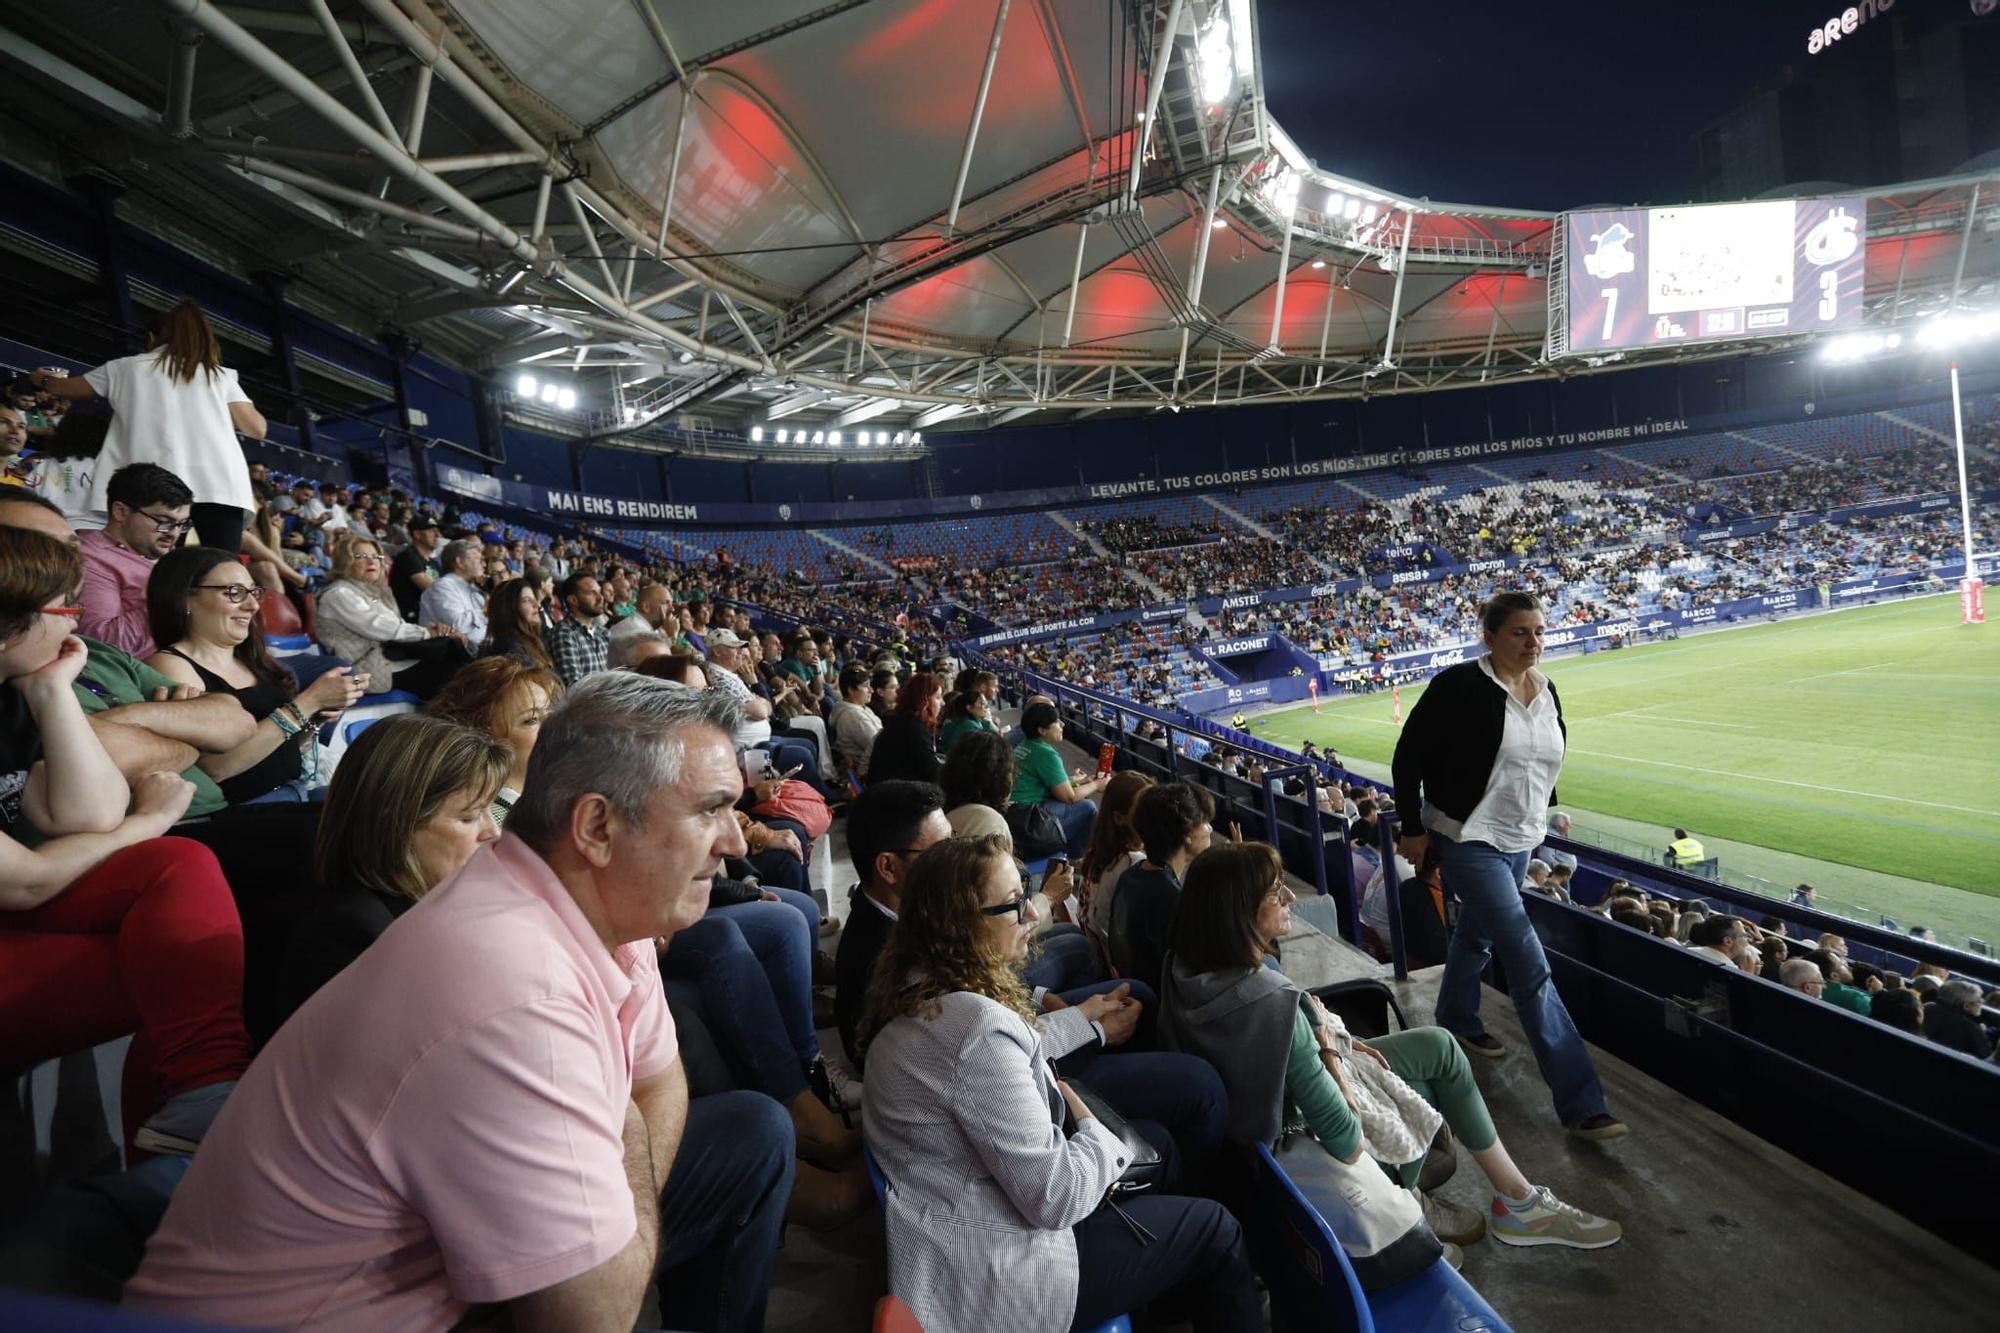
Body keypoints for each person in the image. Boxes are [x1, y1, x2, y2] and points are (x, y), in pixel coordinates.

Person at [126, 675, 794, 1331]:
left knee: (753, 1133)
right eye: (709, 808)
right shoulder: (514, 991)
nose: (736, 840)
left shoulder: (607, 907)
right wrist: (614, 1139)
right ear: (596, 825)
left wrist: (614, 1184)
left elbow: (659, 1078)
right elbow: (591, 1319)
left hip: (428, 1278)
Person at [858, 834, 1261, 1333]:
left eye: (1024, 893)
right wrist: (1093, 1129)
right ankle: (1190, 1276)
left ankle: (1168, 1285)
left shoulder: (919, 987)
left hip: (967, 1222)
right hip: (1004, 1276)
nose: (1031, 913)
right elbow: (1057, 1197)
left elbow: (995, 1059)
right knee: (1216, 1229)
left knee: (1158, 1144)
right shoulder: (973, 1030)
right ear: (960, 926)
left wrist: (1086, 1021)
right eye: (1012, 904)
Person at [1158, 842, 1622, 1270]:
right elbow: (1345, 1139)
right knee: (1414, 1089)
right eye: (1275, 892)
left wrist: (1333, 1040)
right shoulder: (1272, 1004)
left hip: (1248, 1135)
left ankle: (1517, 1201)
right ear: (1238, 910)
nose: (1290, 899)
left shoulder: (1182, 964)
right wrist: (1327, 1047)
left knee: (1439, 1045)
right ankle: (1419, 1202)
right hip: (1294, 1146)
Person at [0, 524, 251, 1156]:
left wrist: (53, 691)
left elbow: (90, 811)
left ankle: (203, 1101)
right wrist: (148, 821)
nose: (79, 628)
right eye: (69, 609)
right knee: (175, 979)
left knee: (177, 885)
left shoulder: (17, 693)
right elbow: (27, 880)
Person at [1391, 590, 1625, 1140]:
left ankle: (1457, 1018)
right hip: (1468, 836)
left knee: (1477, 936)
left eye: (1539, 632)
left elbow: (1542, 760)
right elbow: (1409, 756)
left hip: (1522, 836)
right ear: (1489, 636)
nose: (1533, 642)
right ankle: (1582, 1103)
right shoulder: (1457, 686)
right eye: (1520, 632)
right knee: (1528, 959)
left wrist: (1541, 810)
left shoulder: (1546, 690)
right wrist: (1412, 828)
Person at [262, 714, 507, 1041]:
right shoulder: (351, 937)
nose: (493, 831)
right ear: (397, 824)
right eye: (469, 817)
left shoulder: (441, 912)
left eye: (490, 810)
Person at [33, 301, 266, 549]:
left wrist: (41, 378)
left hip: (156, 485)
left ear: (151, 338)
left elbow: (62, 388)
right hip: (221, 485)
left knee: (157, 568)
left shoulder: (123, 368)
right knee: (221, 566)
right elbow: (257, 428)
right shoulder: (219, 375)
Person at [143, 547, 367, 804]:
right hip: (242, 812)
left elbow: (280, 748)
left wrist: (317, 718)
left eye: (253, 592)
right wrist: (308, 703)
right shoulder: (170, 665)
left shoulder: (251, 658)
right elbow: (214, 769)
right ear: (185, 599)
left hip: (294, 792)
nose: (253, 605)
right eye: (235, 592)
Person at [834, 780, 953, 1070]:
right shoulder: (894, 962)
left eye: (955, 841)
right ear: (888, 867)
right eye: (941, 851)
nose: (956, 860)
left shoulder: (891, 909)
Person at [315, 537, 469, 700]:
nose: (371, 562)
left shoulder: (368, 592)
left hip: (386, 662)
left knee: (456, 654)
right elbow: (383, 628)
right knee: (452, 672)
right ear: (345, 561)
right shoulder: (339, 594)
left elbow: (395, 622)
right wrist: (428, 633)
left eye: (376, 557)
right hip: (361, 673)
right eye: (361, 557)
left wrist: (383, 587)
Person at [425, 656, 562, 828]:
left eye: (551, 714)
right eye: (531, 720)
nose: (552, 727)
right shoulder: (493, 824)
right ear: (484, 735)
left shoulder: (548, 796)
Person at [78, 463, 193, 657]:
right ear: (120, 512)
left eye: (181, 525)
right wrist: (172, 596)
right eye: (164, 522)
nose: (173, 534)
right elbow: (104, 644)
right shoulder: (92, 559)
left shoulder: (165, 551)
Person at [1110, 782, 1213, 990]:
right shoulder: (1172, 900)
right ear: (1187, 834)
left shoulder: (1131, 875)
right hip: (1160, 1008)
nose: (1210, 829)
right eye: (1204, 822)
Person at [1077, 770, 1154, 968]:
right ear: (1120, 818)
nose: (1154, 814)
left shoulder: (1101, 849)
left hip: (1096, 949)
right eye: (1144, 809)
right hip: (1110, 966)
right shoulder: (1134, 863)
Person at [1012, 700, 1105, 859]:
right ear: (1042, 730)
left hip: (1016, 815)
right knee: (1087, 807)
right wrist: (1097, 784)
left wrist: (1079, 782)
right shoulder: (1045, 753)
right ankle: (1077, 858)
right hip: (1028, 823)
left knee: (1082, 796)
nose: (1062, 724)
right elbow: (1069, 796)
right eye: (1055, 721)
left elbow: (1049, 784)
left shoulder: (1025, 745)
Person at [868, 668, 944, 786]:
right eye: (938, 697)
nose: (942, 703)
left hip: (890, 788)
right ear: (924, 701)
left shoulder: (905, 720)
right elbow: (932, 771)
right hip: (893, 795)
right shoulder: (914, 727)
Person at [416, 538, 490, 645]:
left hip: (481, 648)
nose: (484, 565)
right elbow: (458, 626)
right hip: (454, 655)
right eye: (478, 559)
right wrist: (486, 611)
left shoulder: (475, 588)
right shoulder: (443, 586)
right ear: (460, 562)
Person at [546, 572, 610, 686]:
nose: (601, 598)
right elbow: (573, 687)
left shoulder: (603, 633)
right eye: (592, 593)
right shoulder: (564, 633)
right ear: (573, 600)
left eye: (599, 592)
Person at [481, 575, 554, 670]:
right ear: (508, 608)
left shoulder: (536, 636)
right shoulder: (508, 647)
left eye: (534, 599)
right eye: (526, 600)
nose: (536, 605)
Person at [828, 661, 882, 779]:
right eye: (865, 686)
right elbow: (879, 747)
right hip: (870, 772)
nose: (871, 690)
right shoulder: (853, 716)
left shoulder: (861, 708)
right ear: (851, 690)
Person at [388, 514, 443, 619]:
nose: (438, 535)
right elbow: (433, 590)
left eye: (438, 531)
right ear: (417, 534)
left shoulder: (434, 563)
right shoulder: (408, 556)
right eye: (432, 531)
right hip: (408, 617)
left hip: (427, 615)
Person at [1923, 979, 1993, 1059]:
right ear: (1966, 1006)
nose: (1982, 1002)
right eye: (1979, 1000)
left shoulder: (1927, 1008)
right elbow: (1986, 1056)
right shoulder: (1971, 1029)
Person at [936, 687, 999, 753]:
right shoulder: (969, 725)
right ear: (969, 708)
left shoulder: (972, 721)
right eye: (982, 703)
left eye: (986, 703)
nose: (986, 706)